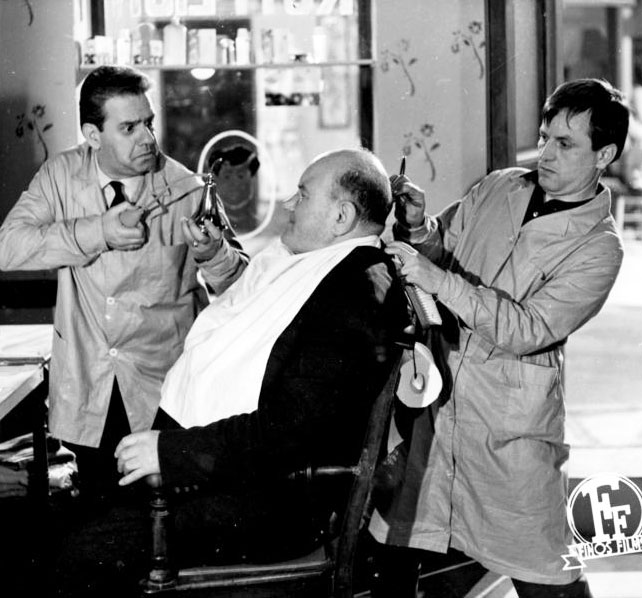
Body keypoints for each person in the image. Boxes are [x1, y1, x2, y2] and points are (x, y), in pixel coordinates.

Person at [44, 148, 408, 596]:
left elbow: (290, 430)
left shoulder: (354, 292)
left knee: (76, 553)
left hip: (269, 503)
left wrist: (171, 453)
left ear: (341, 216)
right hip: (234, 476)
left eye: (303, 195)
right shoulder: (320, 264)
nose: (288, 204)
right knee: (67, 520)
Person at [369, 79, 629, 598]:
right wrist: (419, 228)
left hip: (510, 428)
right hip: (438, 404)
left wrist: (436, 279)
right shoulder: (499, 186)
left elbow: (527, 329)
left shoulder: (600, 248)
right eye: (545, 136)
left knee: (544, 572)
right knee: (400, 545)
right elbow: (445, 248)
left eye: (565, 144)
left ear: (604, 155)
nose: (545, 153)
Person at [0, 65, 248, 505]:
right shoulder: (60, 176)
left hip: (164, 387)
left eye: (148, 123)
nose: (147, 138)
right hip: (90, 385)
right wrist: (99, 232)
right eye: (129, 128)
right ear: (93, 135)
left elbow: (242, 287)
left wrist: (212, 253)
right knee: (99, 519)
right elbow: (7, 249)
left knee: (167, 519)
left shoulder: (186, 188)